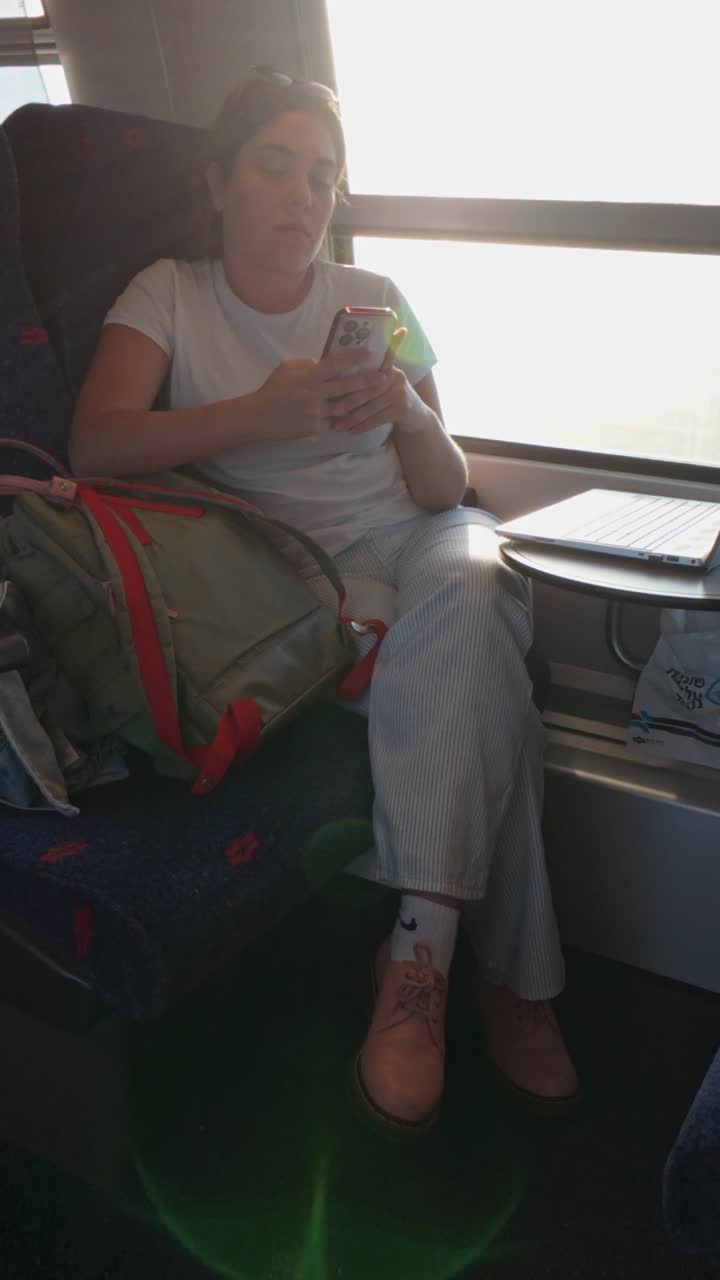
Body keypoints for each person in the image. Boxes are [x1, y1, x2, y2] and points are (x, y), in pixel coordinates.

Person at [70, 67, 579, 1135]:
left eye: (322, 176)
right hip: (293, 567)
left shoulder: (380, 299)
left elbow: (451, 490)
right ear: (218, 182)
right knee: (494, 700)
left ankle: (416, 968)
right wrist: (257, 413)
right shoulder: (168, 291)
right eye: (275, 167)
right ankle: (514, 985)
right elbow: (99, 441)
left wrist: (404, 413)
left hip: (424, 533)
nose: (304, 196)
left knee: (480, 576)